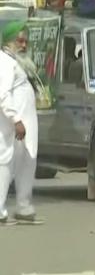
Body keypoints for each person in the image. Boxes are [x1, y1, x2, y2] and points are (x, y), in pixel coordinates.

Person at [0, 22, 40, 225]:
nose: (24, 44)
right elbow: (3, 95)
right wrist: (16, 120)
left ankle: (24, 207)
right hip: (12, 126)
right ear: (8, 42)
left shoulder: (18, 62)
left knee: (27, 163)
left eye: (26, 40)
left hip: (25, 127)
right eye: (19, 40)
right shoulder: (5, 63)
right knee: (5, 165)